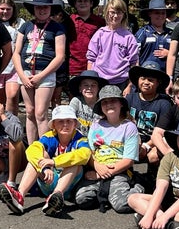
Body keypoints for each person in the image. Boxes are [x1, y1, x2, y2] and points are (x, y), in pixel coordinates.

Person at [0, 106, 91, 217]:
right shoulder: (50, 136)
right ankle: (19, 196)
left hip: (69, 186)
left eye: (69, 121)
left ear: (75, 124)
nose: (65, 124)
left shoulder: (80, 139)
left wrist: (54, 162)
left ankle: (56, 196)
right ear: (54, 125)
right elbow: (32, 150)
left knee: (76, 164)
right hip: (48, 180)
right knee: (38, 157)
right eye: (60, 121)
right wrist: (44, 168)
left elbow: (84, 155)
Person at [74, 85, 144, 213]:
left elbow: (129, 160)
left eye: (113, 101)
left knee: (121, 205)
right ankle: (106, 193)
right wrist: (97, 167)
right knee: (82, 199)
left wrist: (104, 173)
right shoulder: (96, 125)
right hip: (98, 167)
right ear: (100, 106)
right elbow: (89, 152)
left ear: (121, 104)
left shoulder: (129, 127)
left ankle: (138, 187)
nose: (109, 105)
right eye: (105, 102)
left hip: (119, 170)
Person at [13, 0, 66, 143]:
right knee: (29, 112)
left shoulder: (57, 28)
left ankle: (45, 149)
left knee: (41, 113)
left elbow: (60, 56)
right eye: (38, 7)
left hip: (45, 74)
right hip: (26, 73)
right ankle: (32, 149)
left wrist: (41, 76)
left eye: (45, 7)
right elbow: (16, 53)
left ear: (50, 9)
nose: (42, 10)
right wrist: (22, 76)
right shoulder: (26, 26)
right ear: (33, 9)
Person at [126, 62, 172, 183]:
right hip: (132, 140)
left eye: (151, 80)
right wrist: (136, 144)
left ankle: (154, 179)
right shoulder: (130, 99)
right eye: (143, 78)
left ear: (158, 83)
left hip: (153, 142)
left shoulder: (164, 103)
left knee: (153, 157)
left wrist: (146, 146)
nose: (146, 82)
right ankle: (127, 177)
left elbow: (162, 132)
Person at [86, 0, 139, 94]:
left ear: (124, 14)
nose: (115, 16)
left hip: (121, 82)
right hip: (100, 80)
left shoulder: (129, 37)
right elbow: (91, 59)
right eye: (112, 12)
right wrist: (90, 80)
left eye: (119, 12)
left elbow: (134, 63)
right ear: (107, 12)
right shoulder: (100, 34)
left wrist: (129, 86)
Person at [0, 0, 25, 115]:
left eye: (8, 9)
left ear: (13, 9)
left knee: (12, 95)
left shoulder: (20, 23)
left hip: (14, 67)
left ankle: (12, 123)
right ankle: (1, 121)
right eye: (2, 9)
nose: (5, 12)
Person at [67, 0, 105, 78]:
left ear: (91, 3)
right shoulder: (69, 20)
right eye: (79, 1)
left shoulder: (100, 22)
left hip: (93, 67)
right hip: (73, 67)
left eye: (85, 1)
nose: (82, 3)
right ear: (75, 4)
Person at [135, 0, 173, 72]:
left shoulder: (172, 34)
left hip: (166, 76)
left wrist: (169, 54)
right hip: (146, 75)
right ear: (150, 14)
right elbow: (134, 56)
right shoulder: (142, 33)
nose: (160, 16)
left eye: (163, 13)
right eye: (157, 13)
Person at [50, 0, 75, 107]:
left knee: (57, 95)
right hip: (45, 64)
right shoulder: (43, 26)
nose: (57, 16)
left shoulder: (64, 28)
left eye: (60, 14)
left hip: (60, 66)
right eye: (53, 13)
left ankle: (57, 114)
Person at [68, 69, 107, 136]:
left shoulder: (103, 103)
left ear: (98, 88)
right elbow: (69, 119)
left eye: (93, 85)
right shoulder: (76, 101)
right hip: (77, 137)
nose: (89, 88)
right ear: (80, 88)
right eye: (86, 85)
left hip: (98, 137)